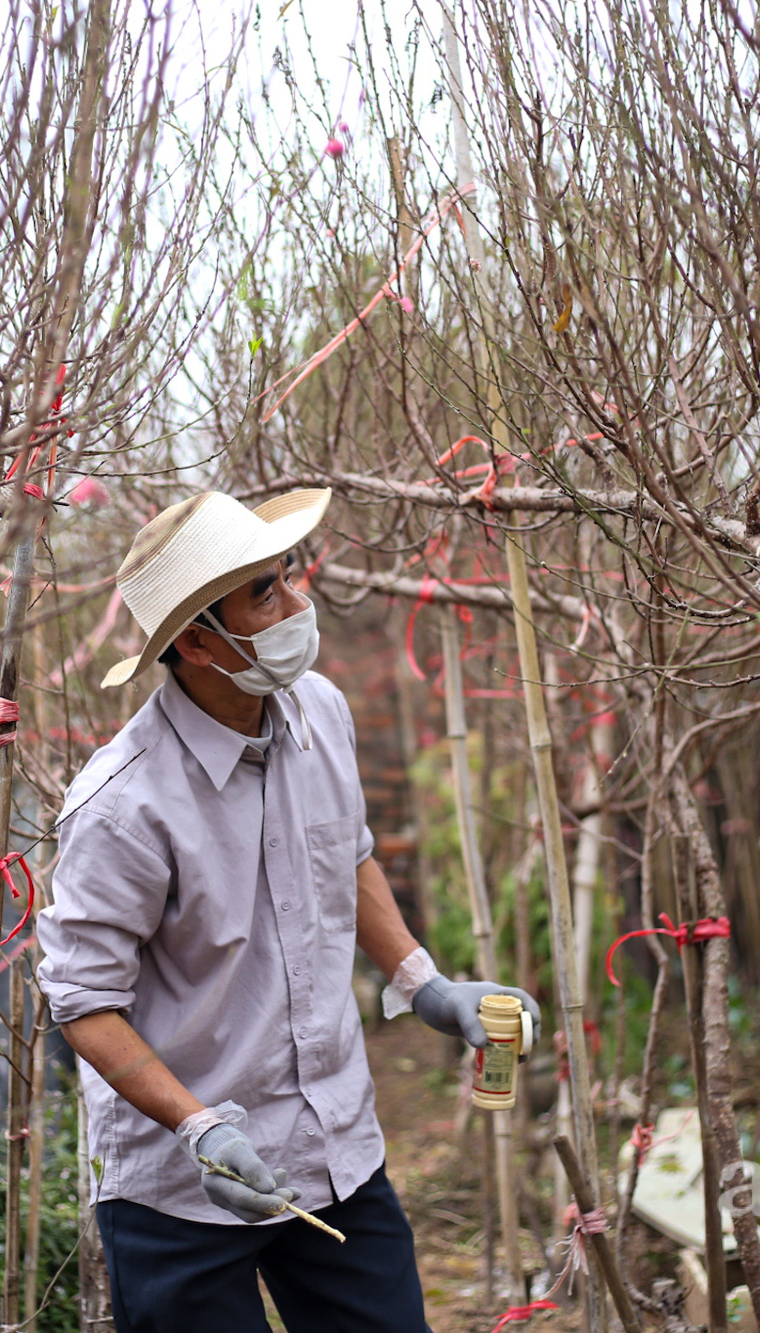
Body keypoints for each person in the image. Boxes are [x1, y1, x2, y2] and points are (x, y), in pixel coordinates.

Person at [37, 488, 541, 1333]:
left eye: (286, 576)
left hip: (331, 1147)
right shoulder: (123, 806)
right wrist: (197, 1126)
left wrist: (425, 984)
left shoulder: (321, 713)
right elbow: (84, 1005)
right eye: (266, 593)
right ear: (197, 642)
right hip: (183, 1190)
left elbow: (347, 855)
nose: (299, 603)